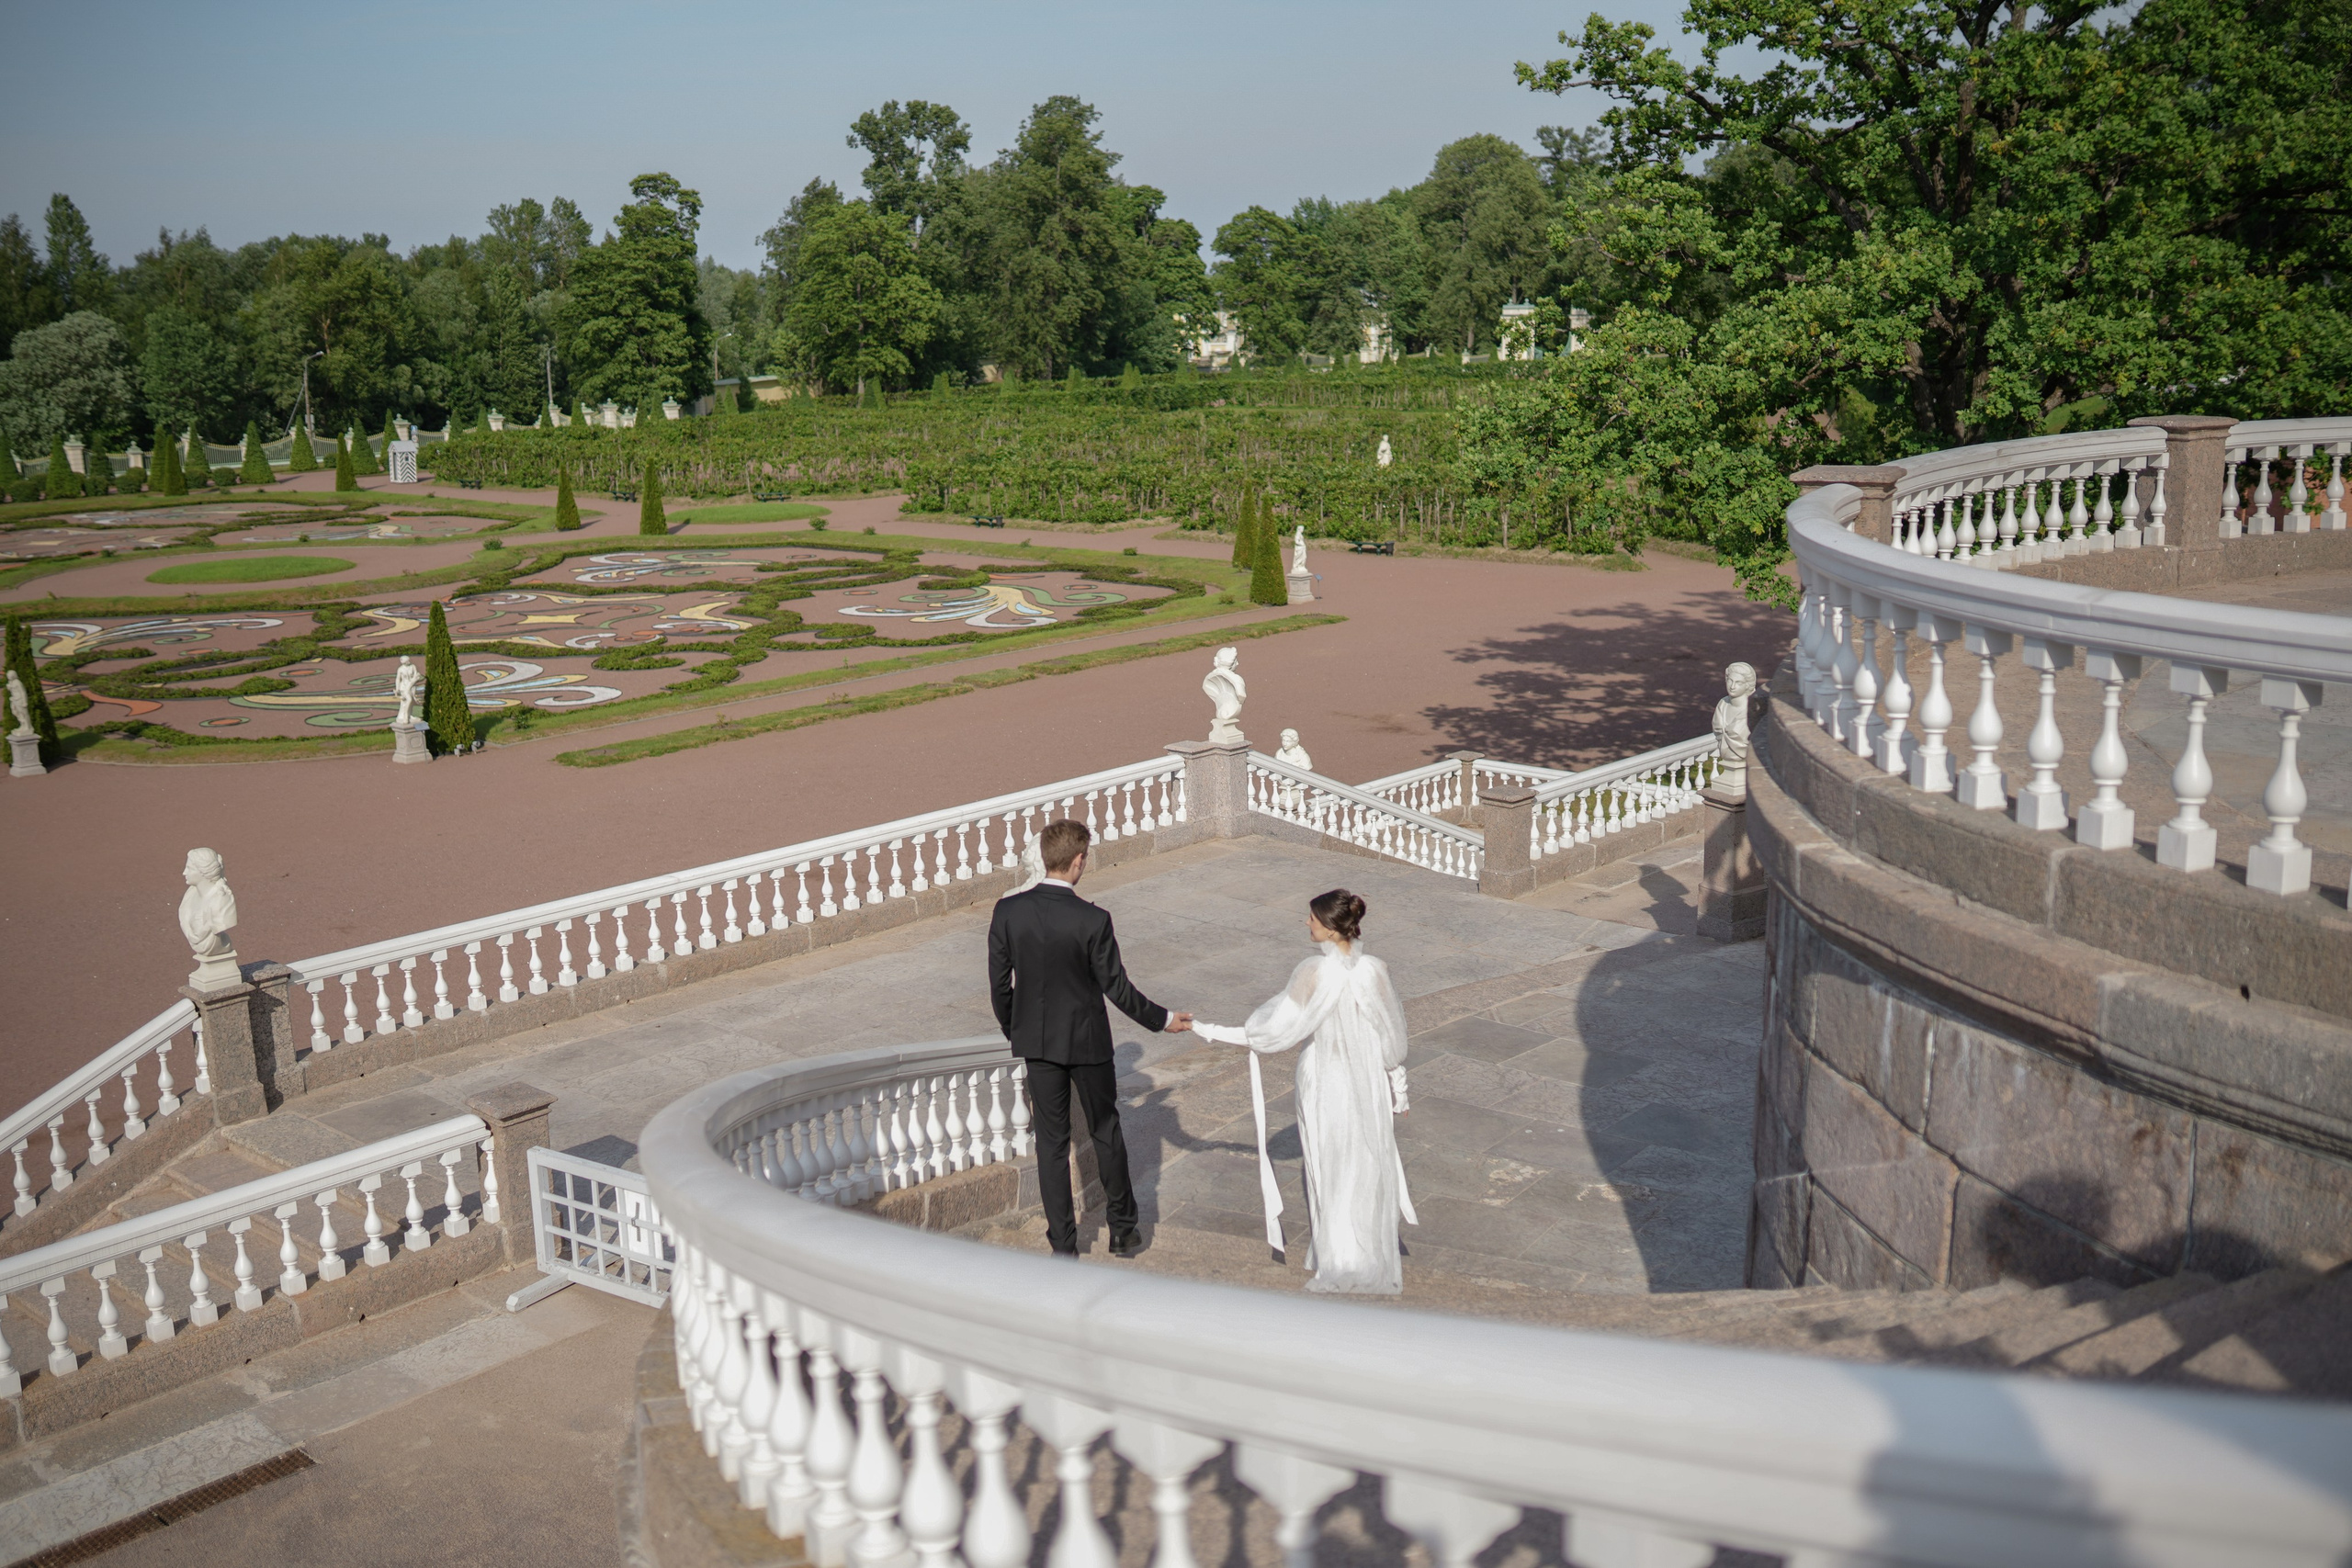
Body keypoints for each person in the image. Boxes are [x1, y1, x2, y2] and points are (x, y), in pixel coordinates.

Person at [1193, 889, 1416, 1294]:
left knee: (1327, 1164)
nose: (1306, 924)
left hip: (1324, 1079)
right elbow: (1392, 1037)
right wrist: (1398, 1086)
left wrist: (1207, 1030)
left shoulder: (1313, 973)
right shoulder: (1376, 970)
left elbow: (1271, 1029)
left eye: (1312, 919)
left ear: (1331, 929)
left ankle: (1338, 1257)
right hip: (1366, 1081)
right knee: (1364, 1161)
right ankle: (1362, 1254)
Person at [988, 818, 1190, 1257]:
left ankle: (1063, 1245)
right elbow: (1117, 989)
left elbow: (1000, 985)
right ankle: (1123, 1229)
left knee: (1051, 1146)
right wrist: (1164, 1019)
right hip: (1087, 1044)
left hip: (1037, 1046)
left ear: (1045, 858)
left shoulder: (1008, 912)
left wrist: (1015, 1029)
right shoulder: (1094, 919)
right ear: (1079, 861)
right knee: (1105, 1131)